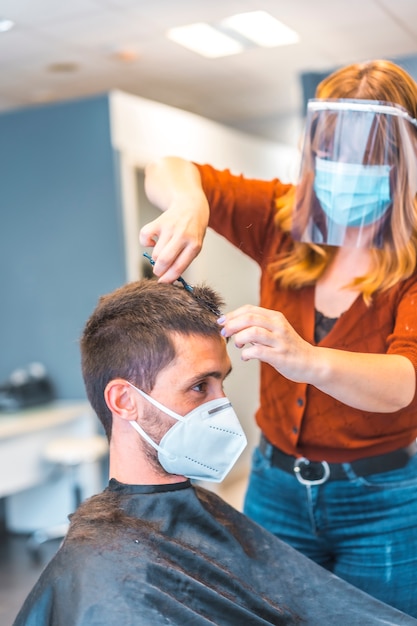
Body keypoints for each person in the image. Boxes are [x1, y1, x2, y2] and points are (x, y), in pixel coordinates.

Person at [140, 59, 417, 617]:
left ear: (403, 166)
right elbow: (164, 168)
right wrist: (191, 202)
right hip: (274, 487)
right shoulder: (280, 217)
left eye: (365, 161)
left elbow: (402, 384)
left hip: (383, 503)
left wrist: (306, 358)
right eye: (330, 155)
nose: (342, 171)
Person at [12, 278, 417, 626]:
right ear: (124, 401)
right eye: (199, 387)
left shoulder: (198, 522)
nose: (222, 406)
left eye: (221, 383)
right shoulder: (105, 577)